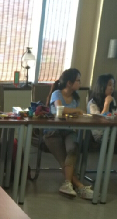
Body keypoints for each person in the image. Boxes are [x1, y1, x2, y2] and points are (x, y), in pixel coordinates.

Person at [45, 68, 93, 199]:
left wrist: (77, 112)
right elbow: (60, 109)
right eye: (78, 80)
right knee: (63, 158)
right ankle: (79, 186)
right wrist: (77, 110)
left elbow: (75, 115)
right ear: (69, 83)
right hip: (53, 132)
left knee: (73, 149)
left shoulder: (76, 98)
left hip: (69, 130)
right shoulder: (57, 93)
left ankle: (67, 184)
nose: (80, 83)